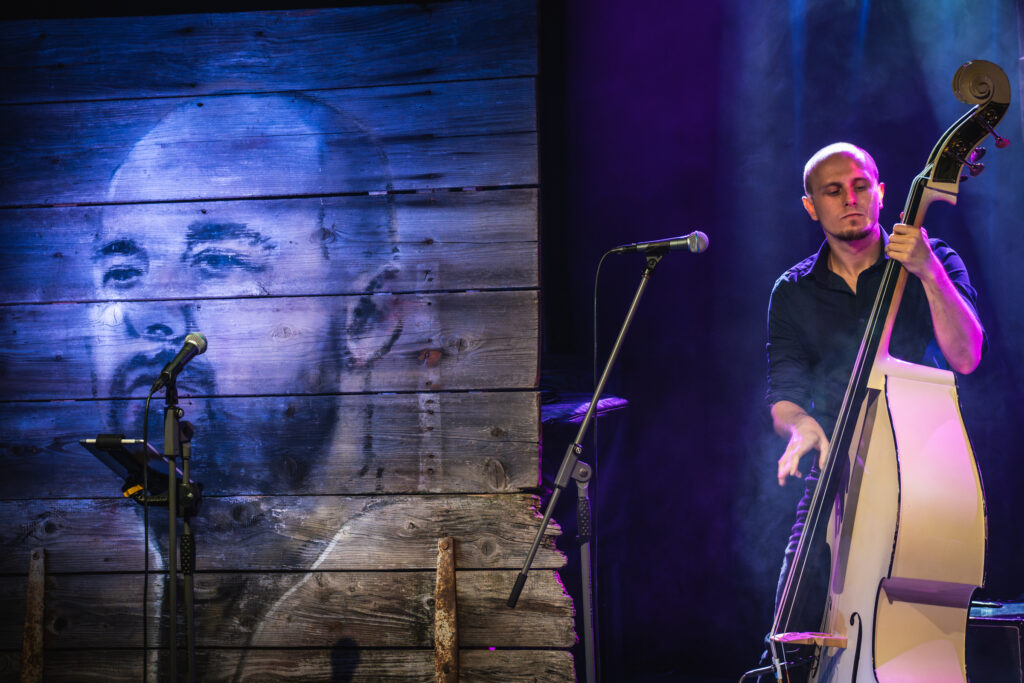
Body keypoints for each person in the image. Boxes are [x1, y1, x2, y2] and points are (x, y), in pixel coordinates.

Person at [762, 142, 984, 673]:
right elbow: (784, 395)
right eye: (833, 190)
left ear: (881, 193)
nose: (850, 198)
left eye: (861, 186)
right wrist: (801, 426)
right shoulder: (792, 291)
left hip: (922, 473)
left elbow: (967, 355)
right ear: (811, 206)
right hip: (835, 476)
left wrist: (928, 272)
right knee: (790, 633)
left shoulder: (934, 258)